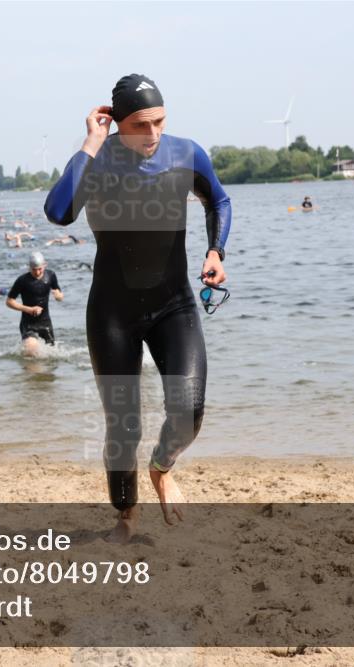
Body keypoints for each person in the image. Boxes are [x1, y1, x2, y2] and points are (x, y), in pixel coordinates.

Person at [44, 73, 231, 542]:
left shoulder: (185, 153)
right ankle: (126, 516)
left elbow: (219, 200)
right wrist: (90, 141)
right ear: (116, 123)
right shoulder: (97, 161)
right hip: (112, 311)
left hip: (174, 305)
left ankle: (162, 467)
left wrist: (215, 252)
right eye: (141, 125)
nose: (153, 135)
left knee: (190, 409)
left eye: (160, 123)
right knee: (123, 425)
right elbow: (59, 211)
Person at [6, 251, 64, 354]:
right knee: (30, 349)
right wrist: (29, 309)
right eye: (34, 270)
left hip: (46, 322)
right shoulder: (22, 280)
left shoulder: (51, 275)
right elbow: (9, 301)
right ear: (29, 267)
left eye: (40, 269)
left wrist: (58, 296)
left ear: (45, 265)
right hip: (28, 324)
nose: (37, 272)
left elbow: (60, 295)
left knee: (52, 356)